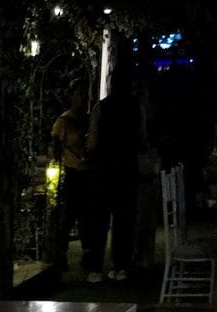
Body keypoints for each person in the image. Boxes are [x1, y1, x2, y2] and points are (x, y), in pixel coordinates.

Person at [85, 52, 149, 282]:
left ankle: (95, 268)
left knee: (99, 220)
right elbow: (142, 139)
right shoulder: (136, 108)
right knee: (124, 220)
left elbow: (92, 142)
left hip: (103, 171)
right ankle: (120, 265)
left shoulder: (100, 108)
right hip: (127, 171)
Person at [49, 81, 98, 279]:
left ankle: (87, 254)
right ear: (71, 96)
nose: (82, 98)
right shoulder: (64, 121)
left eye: (83, 94)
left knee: (86, 217)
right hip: (71, 172)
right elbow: (55, 147)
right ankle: (61, 255)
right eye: (78, 94)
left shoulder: (87, 119)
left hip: (87, 172)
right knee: (68, 217)